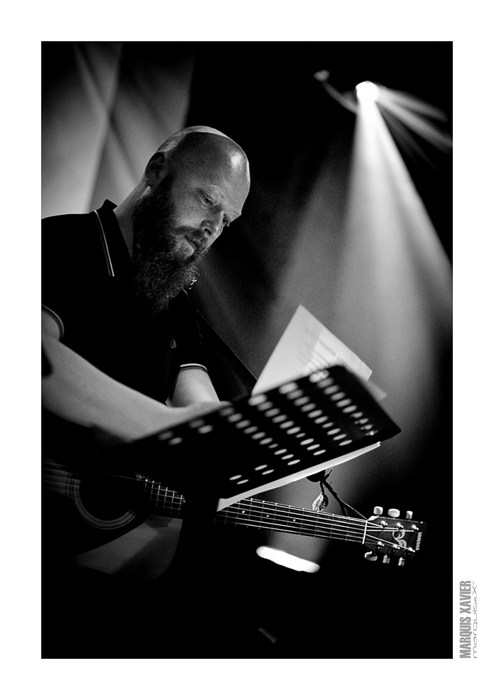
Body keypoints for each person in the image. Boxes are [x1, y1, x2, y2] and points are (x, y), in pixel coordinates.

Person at [41, 126, 263, 658]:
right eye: (208, 199)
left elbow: (201, 407)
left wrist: (246, 443)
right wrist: (167, 431)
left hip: (89, 577)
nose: (212, 228)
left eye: (226, 220)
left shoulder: (175, 305)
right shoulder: (60, 245)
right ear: (157, 171)